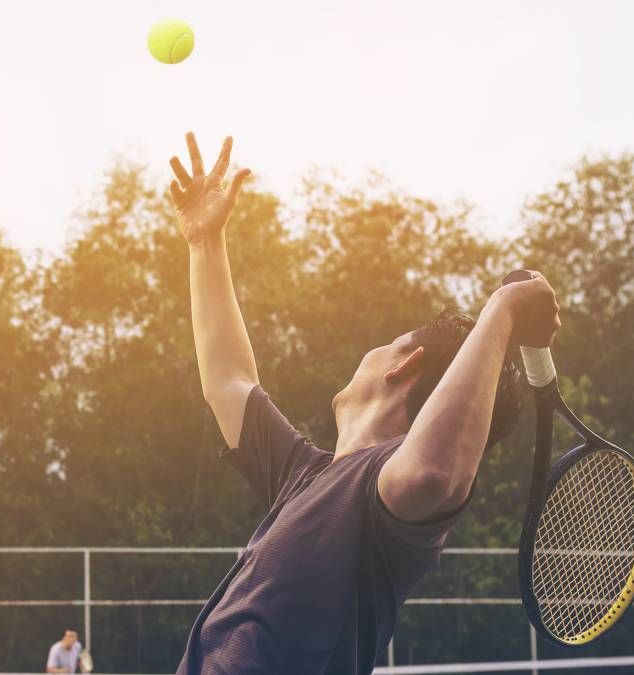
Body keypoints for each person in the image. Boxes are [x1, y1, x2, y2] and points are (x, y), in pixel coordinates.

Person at [167, 132, 558, 674]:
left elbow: (434, 475)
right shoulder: (304, 475)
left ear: (404, 365)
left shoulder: (386, 494)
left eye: (387, 343)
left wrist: (505, 308)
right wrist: (204, 243)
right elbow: (228, 381)